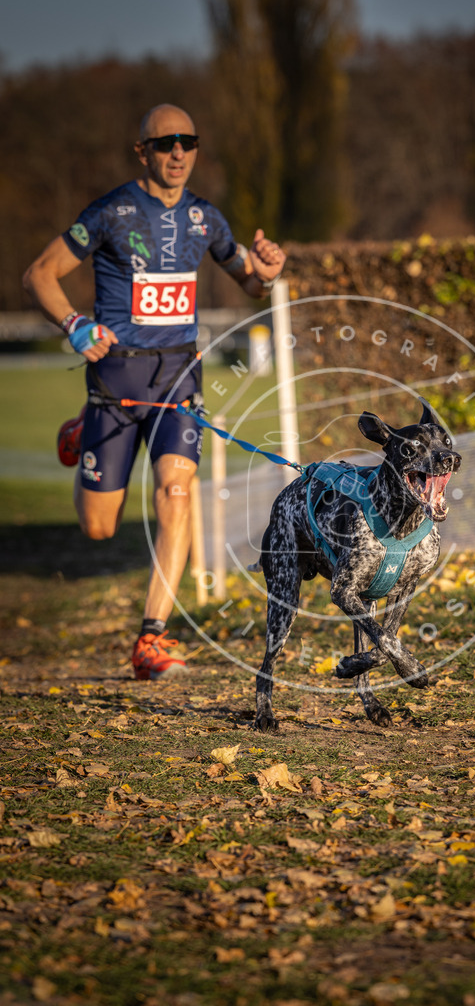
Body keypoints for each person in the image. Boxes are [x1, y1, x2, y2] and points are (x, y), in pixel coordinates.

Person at [23, 103, 286, 681]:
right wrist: (74, 324)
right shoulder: (112, 211)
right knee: (98, 526)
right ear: (142, 151)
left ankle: (151, 637)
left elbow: (247, 279)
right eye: (165, 143)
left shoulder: (205, 218)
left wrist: (265, 272)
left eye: (187, 142)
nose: (177, 153)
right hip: (115, 384)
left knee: (176, 491)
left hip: (177, 381)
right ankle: (80, 431)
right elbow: (40, 274)